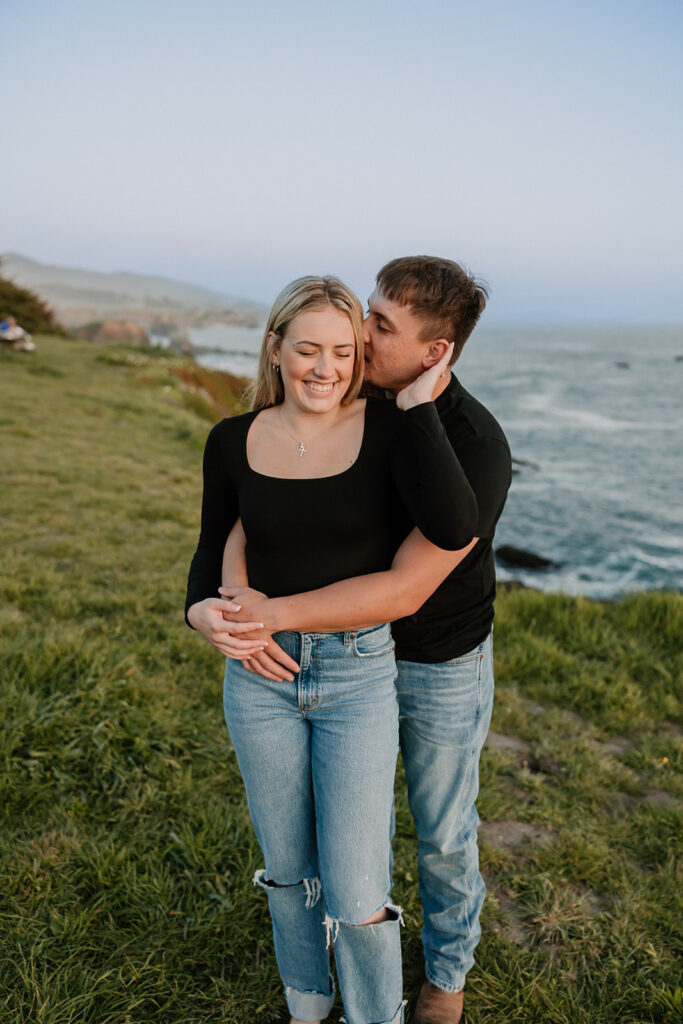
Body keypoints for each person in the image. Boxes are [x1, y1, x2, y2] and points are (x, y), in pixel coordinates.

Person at [217, 257, 512, 1024]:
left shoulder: (473, 444)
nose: (358, 334)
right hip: (338, 649)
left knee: (443, 831)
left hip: (435, 655)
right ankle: (318, 983)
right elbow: (261, 503)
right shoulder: (350, 404)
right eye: (367, 312)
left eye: (379, 327)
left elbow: (408, 587)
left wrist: (267, 615)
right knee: (339, 843)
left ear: (433, 352)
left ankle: (445, 979)